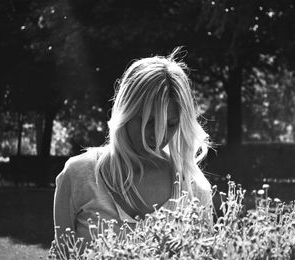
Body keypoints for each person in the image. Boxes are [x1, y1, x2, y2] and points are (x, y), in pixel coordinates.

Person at [53, 48, 213, 244]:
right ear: (125, 114)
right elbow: (64, 256)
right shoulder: (78, 175)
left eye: (170, 124)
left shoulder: (194, 188)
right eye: (148, 122)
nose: (158, 136)